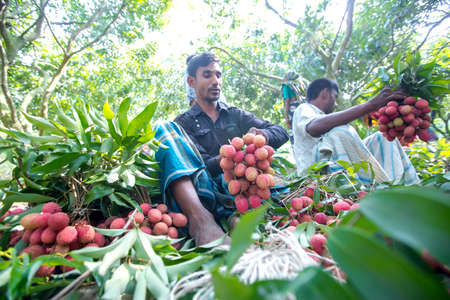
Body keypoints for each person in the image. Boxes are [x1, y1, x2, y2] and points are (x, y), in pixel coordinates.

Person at [154, 52, 289, 246]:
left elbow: (281, 131)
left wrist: (262, 136)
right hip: (206, 190)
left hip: (241, 187)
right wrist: (226, 159)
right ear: (191, 82)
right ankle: (202, 223)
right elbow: (197, 165)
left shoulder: (235, 114)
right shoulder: (183, 123)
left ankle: (234, 219)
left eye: (218, 75)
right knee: (163, 130)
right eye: (207, 75)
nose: (215, 81)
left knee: (273, 185)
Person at [292, 78, 420, 185]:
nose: (336, 104)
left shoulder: (324, 117)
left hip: (336, 165)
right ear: (325, 93)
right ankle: (362, 189)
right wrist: (371, 105)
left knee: (382, 138)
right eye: (335, 97)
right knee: (340, 132)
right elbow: (313, 127)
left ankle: (396, 187)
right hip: (318, 175)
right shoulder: (304, 108)